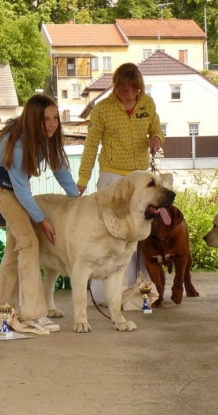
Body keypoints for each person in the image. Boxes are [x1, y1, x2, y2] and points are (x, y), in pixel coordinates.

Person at [0, 94, 80, 333]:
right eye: (45, 119)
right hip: (0, 188)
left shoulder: (46, 139)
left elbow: (61, 170)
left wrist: (78, 200)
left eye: (55, 118)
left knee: (15, 246)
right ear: (33, 119)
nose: (51, 123)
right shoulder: (18, 145)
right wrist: (42, 220)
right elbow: (22, 190)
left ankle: (1, 309)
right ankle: (34, 314)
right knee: (28, 242)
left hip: (15, 188)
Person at [77, 62, 164, 304]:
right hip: (111, 177)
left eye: (133, 89)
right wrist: (83, 179)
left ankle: (140, 289)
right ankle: (103, 294)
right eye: (123, 89)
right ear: (115, 87)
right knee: (108, 232)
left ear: (139, 88)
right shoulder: (102, 109)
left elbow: (156, 129)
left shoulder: (148, 104)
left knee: (137, 232)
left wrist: (156, 138)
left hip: (140, 178)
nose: (128, 94)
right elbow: (91, 145)